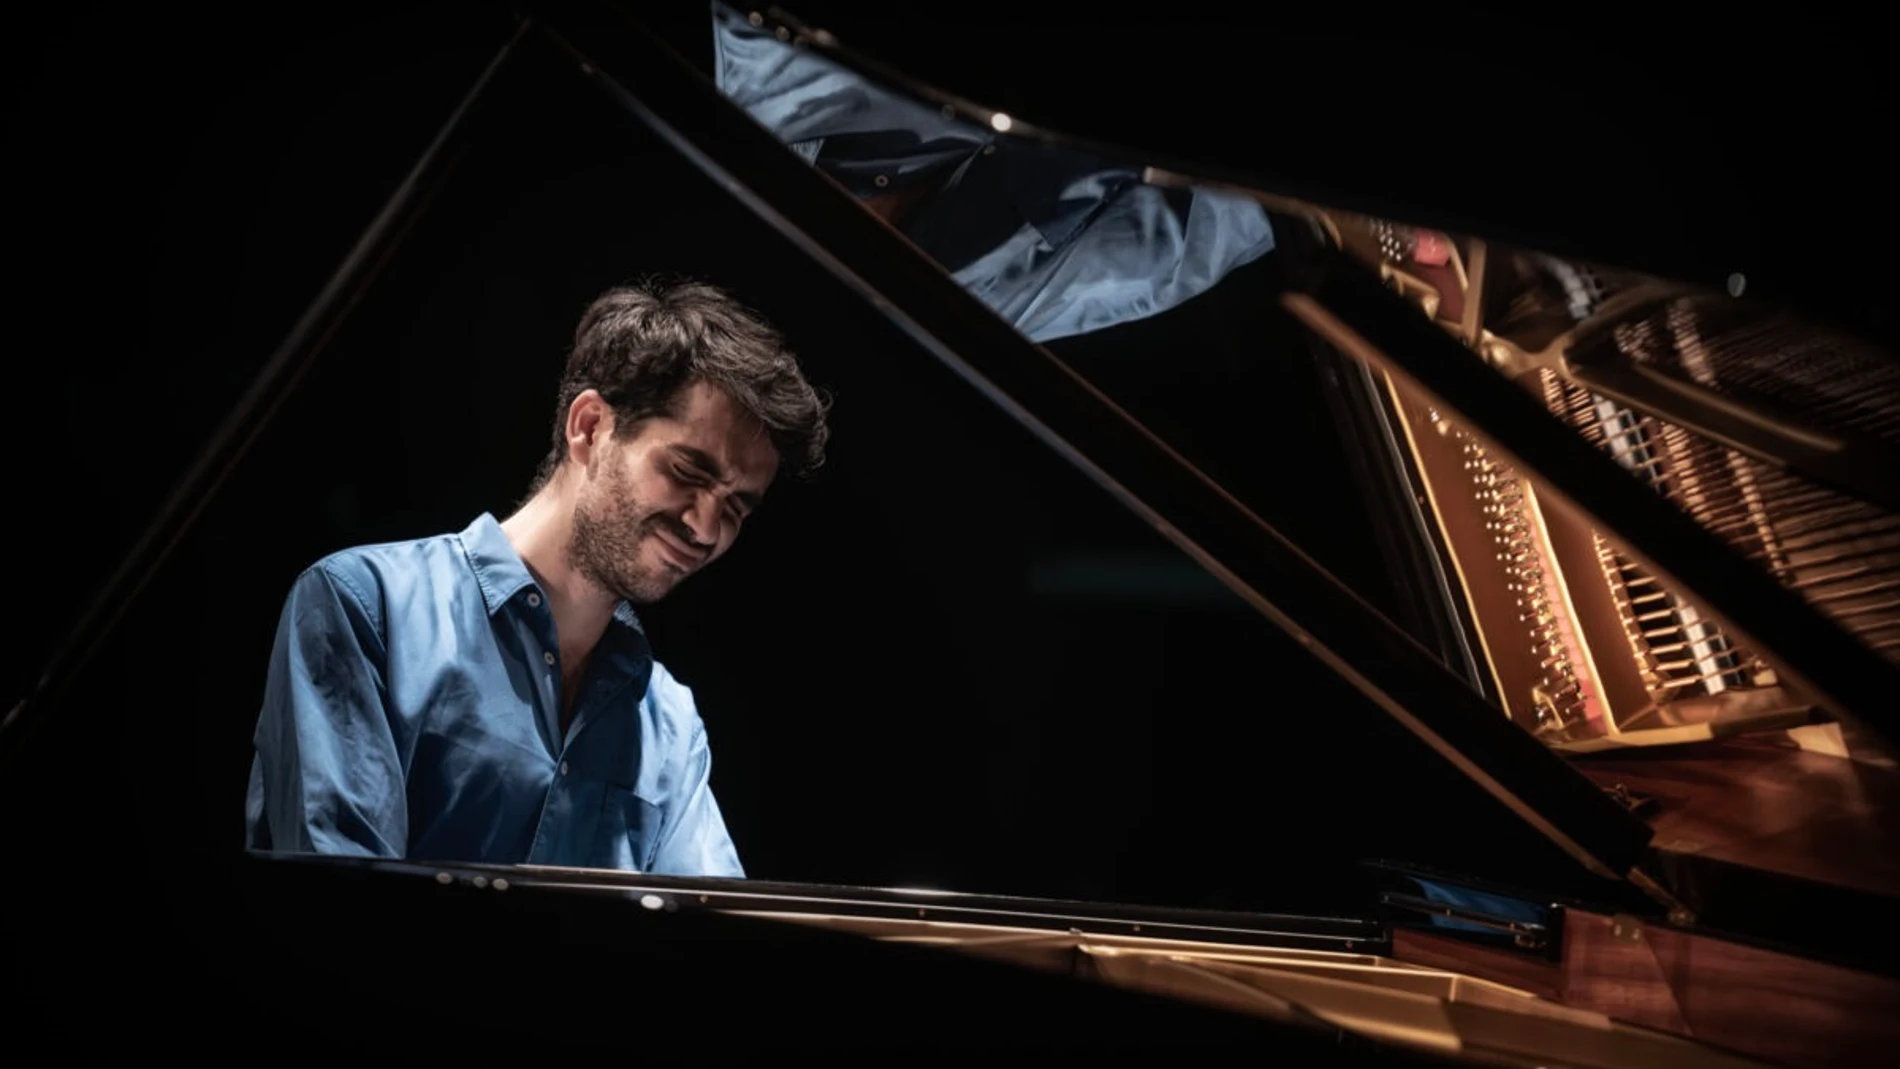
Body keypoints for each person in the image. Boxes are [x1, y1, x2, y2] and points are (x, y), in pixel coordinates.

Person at [244, 279, 829, 877]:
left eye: (735, 508)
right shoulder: (367, 605)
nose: (707, 527)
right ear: (590, 427)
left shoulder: (671, 722)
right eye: (687, 471)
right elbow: (334, 915)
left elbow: (717, 942)